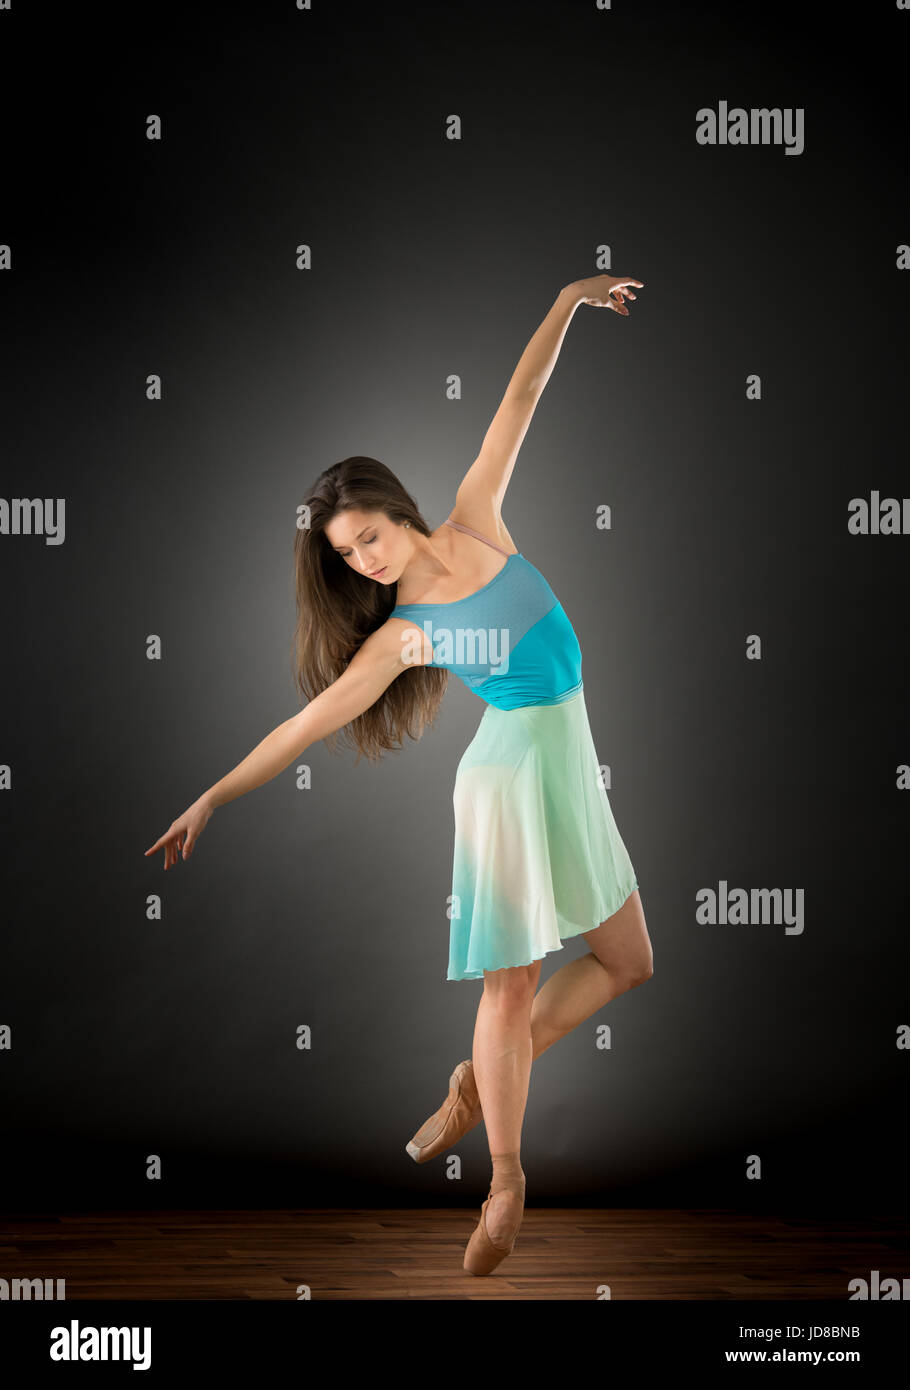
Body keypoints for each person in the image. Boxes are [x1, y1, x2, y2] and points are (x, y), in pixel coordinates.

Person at [145, 272, 654, 1277]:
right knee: (512, 985)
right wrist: (213, 793)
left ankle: (476, 1084)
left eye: (368, 536)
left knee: (627, 960)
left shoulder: (475, 515)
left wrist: (564, 300)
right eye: (347, 557)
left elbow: (519, 397)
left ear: (392, 506)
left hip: (567, 765)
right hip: (508, 781)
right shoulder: (403, 636)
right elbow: (301, 728)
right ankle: (505, 1175)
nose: (366, 562)